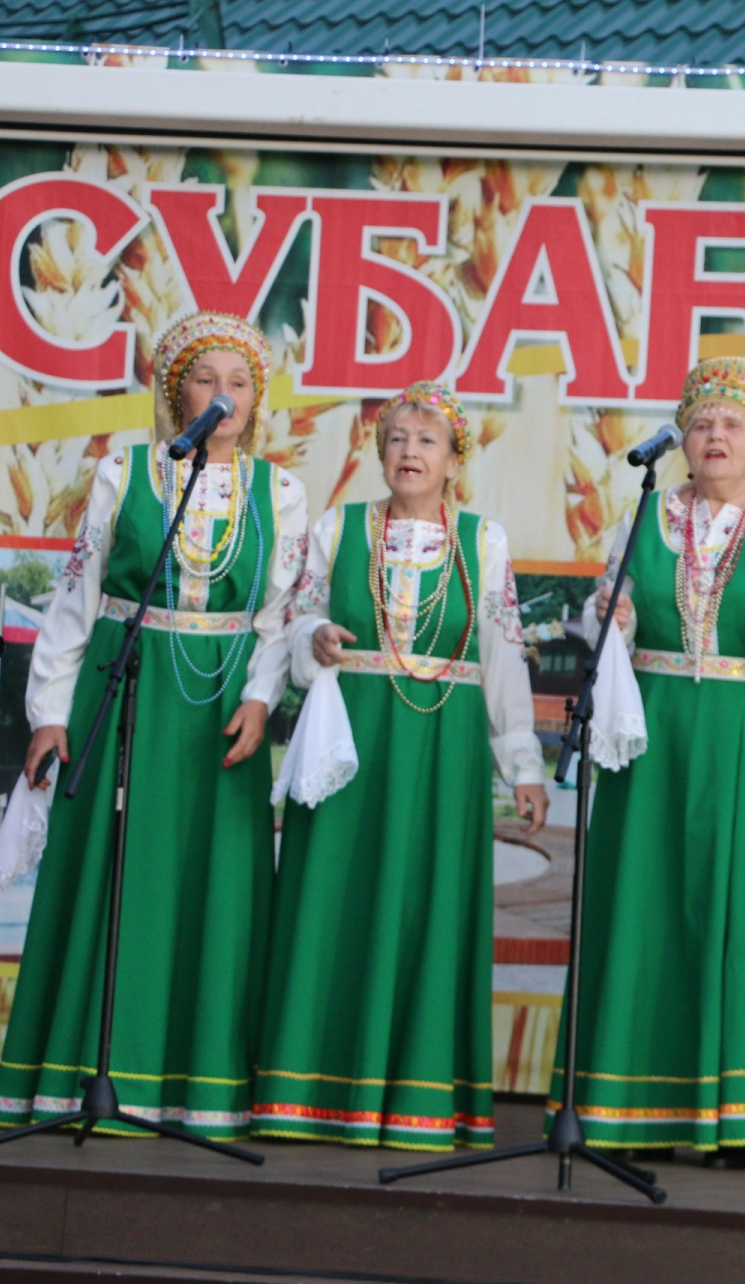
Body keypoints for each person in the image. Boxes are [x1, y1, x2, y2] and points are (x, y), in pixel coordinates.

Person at [0, 311, 307, 1140]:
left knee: (214, 887)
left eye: (240, 383)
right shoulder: (123, 473)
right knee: (107, 874)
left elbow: (280, 614)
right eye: (207, 379)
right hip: (121, 688)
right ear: (178, 395)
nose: (225, 396)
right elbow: (77, 597)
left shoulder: (282, 491)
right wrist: (50, 714)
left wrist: (260, 699)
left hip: (219, 711)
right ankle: (75, 1079)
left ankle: (196, 1089)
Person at [572, 356, 745, 1167]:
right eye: (701, 425)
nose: (714, 437)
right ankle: (636, 1102)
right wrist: (614, 614)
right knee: (650, 900)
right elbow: (609, 621)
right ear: (683, 440)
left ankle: (742, 1115)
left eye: (732, 425)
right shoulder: (647, 514)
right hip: (658, 732)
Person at [250, 382, 546, 1151]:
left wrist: (523, 763)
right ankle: (308, 1088)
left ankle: (415, 1095)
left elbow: (503, 655)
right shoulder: (337, 527)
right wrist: (314, 636)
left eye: (427, 441)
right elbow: (297, 615)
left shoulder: (483, 540)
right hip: (351, 743)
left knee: (426, 904)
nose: (409, 452)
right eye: (396, 439)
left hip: (443, 749)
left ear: (454, 462)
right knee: (333, 898)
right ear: (378, 454)